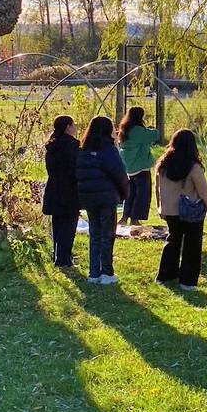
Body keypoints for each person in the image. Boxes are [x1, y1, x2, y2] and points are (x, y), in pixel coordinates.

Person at [155, 129, 207, 290]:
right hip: (190, 212)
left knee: (172, 242)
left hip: (170, 211)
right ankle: (188, 281)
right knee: (192, 245)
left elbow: (158, 188)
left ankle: (165, 275)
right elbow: (204, 193)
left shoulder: (163, 164)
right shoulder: (193, 167)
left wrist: (160, 207)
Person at [76, 116, 129, 285]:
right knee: (107, 235)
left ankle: (93, 272)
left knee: (95, 234)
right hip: (106, 197)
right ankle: (107, 272)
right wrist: (124, 193)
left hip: (89, 198)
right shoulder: (108, 149)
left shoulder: (83, 149)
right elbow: (119, 173)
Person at [42, 115, 80, 269]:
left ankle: (57, 254)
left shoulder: (52, 145)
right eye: (73, 125)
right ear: (68, 127)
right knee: (68, 226)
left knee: (57, 224)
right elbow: (74, 168)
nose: (75, 128)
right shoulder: (71, 146)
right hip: (69, 189)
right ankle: (64, 259)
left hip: (54, 187)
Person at [118, 107, 159, 225]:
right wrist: (152, 129)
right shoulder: (137, 130)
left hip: (129, 168)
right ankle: (135, 219)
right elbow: (154, 135)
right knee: (142, 195)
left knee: (130, 194)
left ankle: (125, 217)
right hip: (140, 166)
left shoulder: (124, 129)